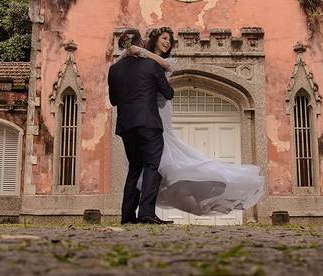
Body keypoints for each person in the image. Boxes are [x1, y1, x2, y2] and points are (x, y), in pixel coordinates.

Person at [125, 27, 265, 216]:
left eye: (170, 40)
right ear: (155, 39)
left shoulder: (166, 61)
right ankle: (142, 210)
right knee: (153, 163)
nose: (167, 42)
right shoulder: (142, 62)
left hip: (160, 111)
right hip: (145, 110)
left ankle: (147, 209)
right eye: (164, 38)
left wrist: (141, 51)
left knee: (162, 157)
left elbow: (166, 65)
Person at [107, 29, 175, 225]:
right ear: (140, 44)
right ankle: (146, 212)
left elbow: (113, 100)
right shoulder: (151, 65)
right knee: (152, 166)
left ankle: (127, 216)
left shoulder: (114, 69)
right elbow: (168, 93)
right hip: (149, 123)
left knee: (134, 168)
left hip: (126, 125)